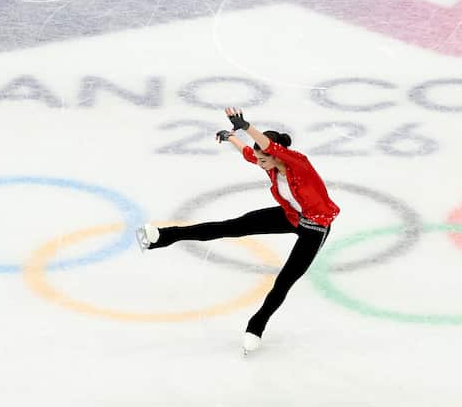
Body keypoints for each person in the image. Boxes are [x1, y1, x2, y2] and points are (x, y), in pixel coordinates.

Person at [136, 107, 340, 355]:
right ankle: (163, 236)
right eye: (260, 160)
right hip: (291, 217)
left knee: (285, 281)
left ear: (276, 155)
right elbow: (249, 153)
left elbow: (271, 148)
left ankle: (257, 325)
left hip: (315, 228)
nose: (261, 164)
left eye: (264, 159)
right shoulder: (268, 163)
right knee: (230, 226)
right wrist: (229, 136)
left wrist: (246, 127)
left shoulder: (299, 164)